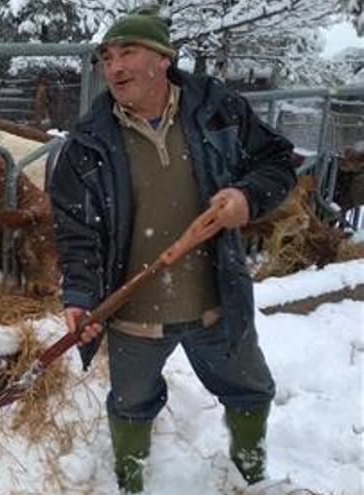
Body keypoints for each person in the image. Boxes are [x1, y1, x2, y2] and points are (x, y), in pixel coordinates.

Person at [47, 6, 297, 493]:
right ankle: (130, 481)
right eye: (106, 57)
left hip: (215, 301)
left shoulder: (217, 110)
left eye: (128, 53)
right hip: (132, 314)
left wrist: (247, 196)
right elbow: (77, 233)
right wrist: (79, 296)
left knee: (249, 389)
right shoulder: (87, 144)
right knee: (130, 402)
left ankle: (252, 470)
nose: (114, 67)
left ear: (163, 59)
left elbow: (278, 160)